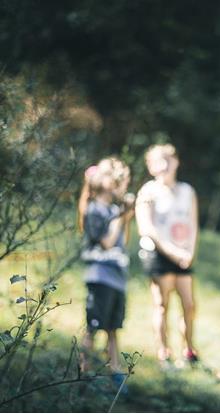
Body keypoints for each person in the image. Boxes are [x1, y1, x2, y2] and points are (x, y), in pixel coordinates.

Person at [135, 144, 199, 368]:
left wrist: (189, 252)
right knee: (162, 305)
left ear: (176, 161)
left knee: (189, 305)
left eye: (168, 159)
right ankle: (164, 354)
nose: (164, 165)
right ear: (151, 167)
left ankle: (189, 352)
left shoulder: (187, 191)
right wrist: (174, 252)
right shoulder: (148, 192)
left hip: (183, 256)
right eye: (158, 161)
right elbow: (147, 229)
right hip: (159, 256)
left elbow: (192, 224)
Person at [78, 157, 135, 384]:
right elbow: (107, 243)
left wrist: (125, 216)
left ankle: (115, 370)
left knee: (113, 327)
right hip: (100, 276)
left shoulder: (113, 210)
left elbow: (123, 242)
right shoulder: (95, 210)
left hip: (117, 278)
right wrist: (121, 217)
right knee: (93, 327)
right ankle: (83, 370)